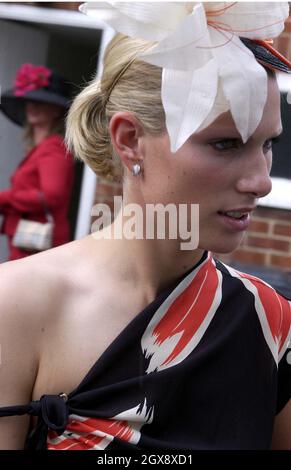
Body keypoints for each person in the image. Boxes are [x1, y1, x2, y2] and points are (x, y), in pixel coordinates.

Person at [0, 2, 291, 450]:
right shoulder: (15, 307)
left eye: (268, 144)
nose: (260, 181)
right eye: (225, 143)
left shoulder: (271, 324)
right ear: (131, 140)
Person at [0, 63, 75, 261]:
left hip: (36, 246)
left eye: (41, 102)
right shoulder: (41, 147)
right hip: (26, 242)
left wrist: (5, 199)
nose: (32, 106)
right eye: (29, 101)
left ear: (56, 110)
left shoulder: (53, 148)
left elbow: (51, 196)